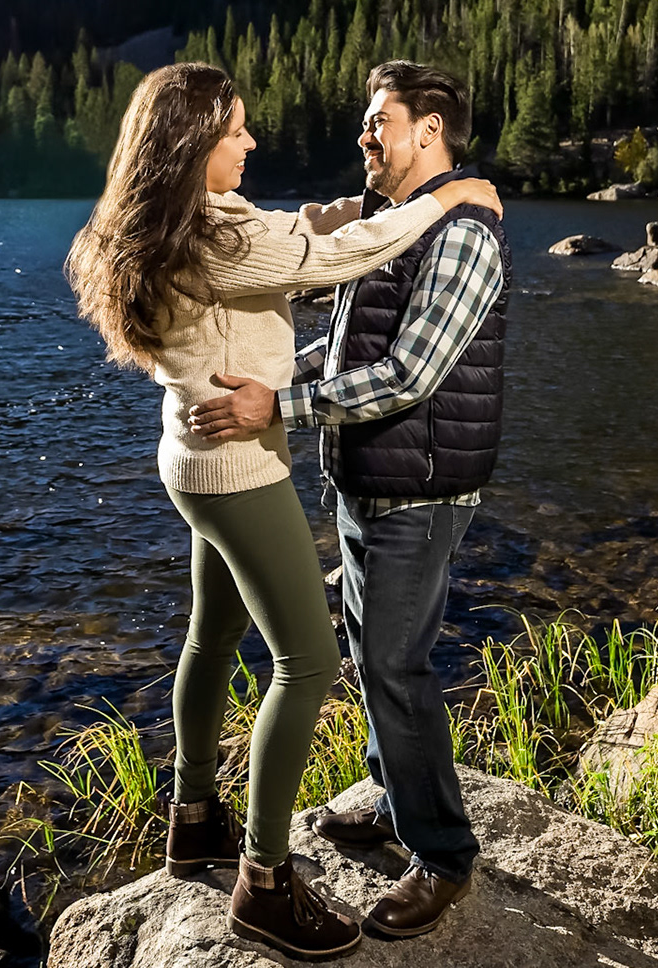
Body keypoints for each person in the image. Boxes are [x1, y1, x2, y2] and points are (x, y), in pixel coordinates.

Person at [65, 61, 501, 962]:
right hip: (241, 465)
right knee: (310, 662)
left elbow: (323, 272)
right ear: (192, 145)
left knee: (232, 640)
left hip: (234, 463)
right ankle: (263, 882)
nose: (253, 141)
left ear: (427, 130)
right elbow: (321, 264)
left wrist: (408, 215)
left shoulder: (192, 218)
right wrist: (457, 199)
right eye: (235, 130)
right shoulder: (224, 235)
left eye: (379, 121)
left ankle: (204, 821)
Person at [189, 60, 510, 940]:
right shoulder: (389, 225)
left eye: (381, 120)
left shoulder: (463, 235)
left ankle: (442, 854)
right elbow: (341, 346)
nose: (365, 136)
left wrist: (274, 406)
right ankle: (389, 794)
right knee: (369, 648)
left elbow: (408, 376)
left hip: (423, 485)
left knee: (396, 666)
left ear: (429, 131)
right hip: (368, 478)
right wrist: (265, 376)